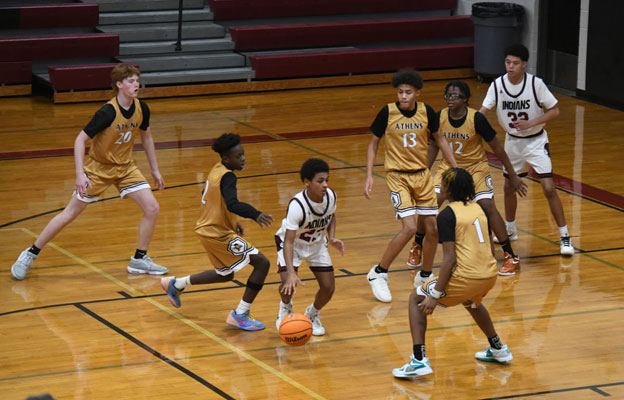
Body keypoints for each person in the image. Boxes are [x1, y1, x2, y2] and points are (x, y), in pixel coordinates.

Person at [10, 63, 168, 280]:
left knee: (152, 208)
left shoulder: (142, 108)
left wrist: (155, 169)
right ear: (119, 84)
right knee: (69, 214)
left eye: (137, 81)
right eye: (131, 81)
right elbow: (80, 140)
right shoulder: (107, 112)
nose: (136, 85)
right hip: (98, 170)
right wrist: (79, 174)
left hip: (125, 168)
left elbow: (146, 137)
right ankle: (30, 253)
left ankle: (139, 259)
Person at [392, 168, 513, 378]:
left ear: (447, 190)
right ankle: (498, 348)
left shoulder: (447, 215)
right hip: (489, 274)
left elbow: (450, 259)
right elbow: (491, 250)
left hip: (467, 277)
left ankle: (418, 360)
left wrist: (435, 295)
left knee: (416, 299)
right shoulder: (480, 210)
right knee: (471, 302)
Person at [160, 133, 273, 331]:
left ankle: (176, 284)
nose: (243, 159)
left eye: (243, 154)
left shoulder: (217, 169)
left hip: (208, 229)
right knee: (262, 263)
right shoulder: (228, 176)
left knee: (225, 274)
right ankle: (241, 314)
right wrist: (255, 214)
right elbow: (232, 203)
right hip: (217, 233)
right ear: (227, 158)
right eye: (238, 156)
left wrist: (232, 221)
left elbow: (215, 199)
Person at [364, 68, 457, 303]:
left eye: (408, 92)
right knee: (409, 228)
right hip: (397, 176)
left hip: (422, 176)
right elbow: (373, 143)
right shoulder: (388, 112)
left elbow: (440, 139)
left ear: (417, 93)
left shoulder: (427, 112)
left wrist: (455, 169)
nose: (403, 96)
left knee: (432, 229)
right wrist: (369, 174)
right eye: (400, 92)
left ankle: (424, 276)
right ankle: (378, 272)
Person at [417, 80, 528, 276]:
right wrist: (424, 173)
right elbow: (433, 145)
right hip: (449, 168)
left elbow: (498, 149)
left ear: (465, 99)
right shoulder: (439, 116)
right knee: (430, 203)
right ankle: (417, 244)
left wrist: (513, 176)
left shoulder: (477, 118)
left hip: (475, 168)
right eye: (448, 95)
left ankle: (510, 255)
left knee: (487, 205)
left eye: (455, 96)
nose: (450, 99)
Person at [479, 43, 574, 256]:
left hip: (536, 141)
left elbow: (555, 111)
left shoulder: (535, 84)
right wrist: (471, 123)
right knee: (508, 187)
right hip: (512, 142)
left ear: (524, 64)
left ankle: (565, 236)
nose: (510, 66)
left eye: (515, 63)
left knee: (549, 188)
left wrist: (532, 122)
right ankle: (510, 229)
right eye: (507, 62)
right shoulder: (497, 85)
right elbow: (483, 110)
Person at [275, 158, 345, 336]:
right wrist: (291, 273)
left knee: (328, 288)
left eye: (327, 180)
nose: (325, 185)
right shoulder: (297, 205)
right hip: (292, 245)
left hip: (316, 244)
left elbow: (331, 215)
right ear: (307, 182)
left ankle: (312, 314)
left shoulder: (331, 196)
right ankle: (285, 306)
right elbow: (288, 241)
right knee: (287, 283)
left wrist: (332, 237)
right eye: (320, 181)